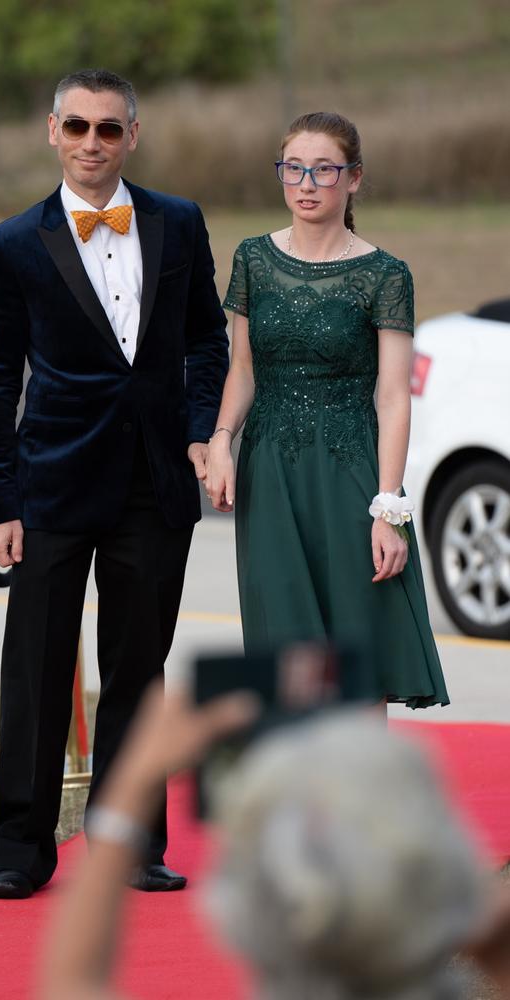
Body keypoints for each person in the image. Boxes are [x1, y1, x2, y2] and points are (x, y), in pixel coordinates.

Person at [0, 68, 229, 899]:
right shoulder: (14, 243)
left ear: (132, 134)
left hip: (154, 485)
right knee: (37, 670)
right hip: (50, 483)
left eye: (108, 129)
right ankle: (17, 850)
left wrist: (200, 432)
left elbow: (206, 343)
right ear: (53, 131)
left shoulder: (179, 223)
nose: (92, 143)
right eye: (76, 126)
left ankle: (130, 845)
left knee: (136, 672)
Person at [39, 683, 510, 1000]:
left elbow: (74, 983)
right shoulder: (460, 912)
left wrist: (135, 781)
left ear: (241, 921)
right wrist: (465, 907)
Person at [204, 111, 448, 709]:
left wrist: (388, 509)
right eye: (294, 169)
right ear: (281, 175)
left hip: (350, 474)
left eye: (324, 170)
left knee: (354, 652)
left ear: (353, 178)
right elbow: (241, 369)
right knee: (283, 652)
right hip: (270, 474)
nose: (307, 183)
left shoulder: (386, 275)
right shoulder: (253, 259)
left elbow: (393, 398)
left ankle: (360, 799)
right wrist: (219, 440)